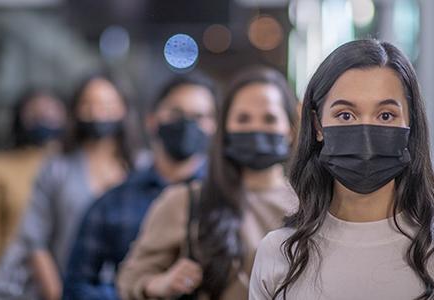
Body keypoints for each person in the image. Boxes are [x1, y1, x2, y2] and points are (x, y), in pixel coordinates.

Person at [249, 40, 434, 300]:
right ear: (317, 125)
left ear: (410, 123)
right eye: (345, 115)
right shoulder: (279, 252)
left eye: (386, 115)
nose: (366, 133)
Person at [117, 66, 299, 300]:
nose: (256, 128)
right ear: (224, 129)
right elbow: (130, 279)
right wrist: (162, 283)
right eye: (243, 118)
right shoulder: (186, 200)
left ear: (291, 130)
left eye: (269, 118)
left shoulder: (311, 205)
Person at [62, 74, 218, 299]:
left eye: (199, 116)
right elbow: (77, 285)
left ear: (214, 125)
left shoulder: (226, 198)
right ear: (152, 120)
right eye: (176, 113)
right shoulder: (113, 202)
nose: (187, 124)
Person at [0, 74, 138, 300]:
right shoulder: (57, 168)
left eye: (107, 105)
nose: (97, 113)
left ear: (124, 109)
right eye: (88, 105)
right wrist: (59, 294)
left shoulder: (141, 169)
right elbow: (34, 240)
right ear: (75, 110)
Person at [0, 89, 66, 300]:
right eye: (35, 114)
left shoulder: (71, 167)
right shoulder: (1, 166)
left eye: (51, 112)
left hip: (64, 278)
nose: (44, 119)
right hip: (15, 282)